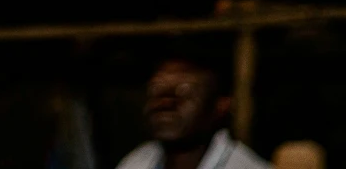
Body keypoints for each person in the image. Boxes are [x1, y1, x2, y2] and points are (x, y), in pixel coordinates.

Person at [112, 58, 268, 169]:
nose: (165, 102)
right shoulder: (137, 162)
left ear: (220, 106)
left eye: (185, 91)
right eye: (157, 89)